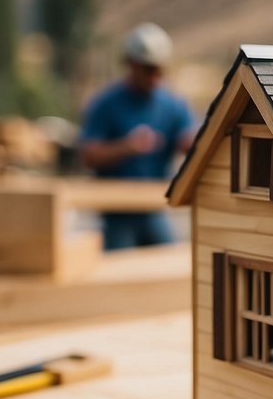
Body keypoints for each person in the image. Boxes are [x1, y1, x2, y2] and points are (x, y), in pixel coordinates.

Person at [79, 23, 196, 250]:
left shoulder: (173, 106)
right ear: (130, 64)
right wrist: (127, 147)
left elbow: (190, 139)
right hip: (116, 214)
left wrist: (192, 144)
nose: (154, 77)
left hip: (154, 208)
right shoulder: (106, 104)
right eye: (147, 69)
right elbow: (88, 155)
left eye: (159, 71)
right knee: (119, 273)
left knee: (167, 265)